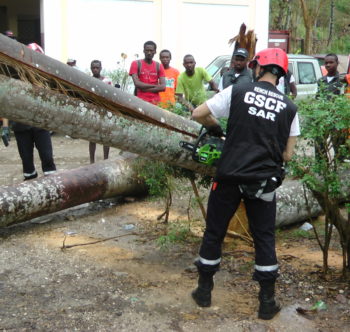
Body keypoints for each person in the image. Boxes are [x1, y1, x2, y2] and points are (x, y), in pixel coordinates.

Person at [190, 48, 300, 320]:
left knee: (214, 231)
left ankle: (204, 292)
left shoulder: (237, 92)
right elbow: (288, 155)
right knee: (264, 237)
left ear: (259, 68)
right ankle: (266, 302)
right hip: (263, 183)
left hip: (228, 177)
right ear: (281, 74)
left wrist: (217, 128)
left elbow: (198, 114)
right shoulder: (290, 108)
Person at [9, 43, 56, 180]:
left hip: (40, 124)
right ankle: (31, 188)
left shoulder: (44, 78)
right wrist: (6, 126)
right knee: (26, 161)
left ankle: (52, 187)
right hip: (21, 124)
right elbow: (8, 102)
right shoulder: (15, 74)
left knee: (47, 158)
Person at [316, 53, 347, 161]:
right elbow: (318, 98)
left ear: (337, 63)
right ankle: (321, 168)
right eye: (326, 63)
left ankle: (339, 169)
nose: (328, 65)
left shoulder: (343, 81)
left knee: (338, 144)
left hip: (336, 118)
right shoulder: (321, 81)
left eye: (331, 62)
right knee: (320, 143)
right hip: (322, 117)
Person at [89, 60, 112, 164]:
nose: (95, 69)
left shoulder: (107, 81)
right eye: (93, 68)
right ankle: (92, 160)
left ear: (101, 68)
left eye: (97, 68)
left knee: (106, 136)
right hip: (93, 111)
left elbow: (111, 94)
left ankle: (106, 159)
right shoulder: (88, 80)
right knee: (92, 136)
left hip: (105, 111)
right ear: (91, 68)